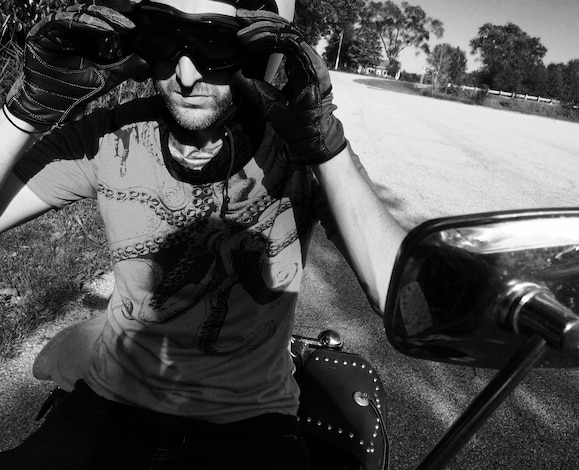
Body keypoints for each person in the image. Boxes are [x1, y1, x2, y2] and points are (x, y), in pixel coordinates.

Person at [0, 0, 406, 468]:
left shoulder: (301, 151)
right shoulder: (113, 136)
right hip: (111, 401)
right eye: (165, 41)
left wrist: (327, 151)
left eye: (214, 44)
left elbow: (398, 297)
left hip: (251, 420)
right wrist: (24, 112)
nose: (187, 75)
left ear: (259, 50)